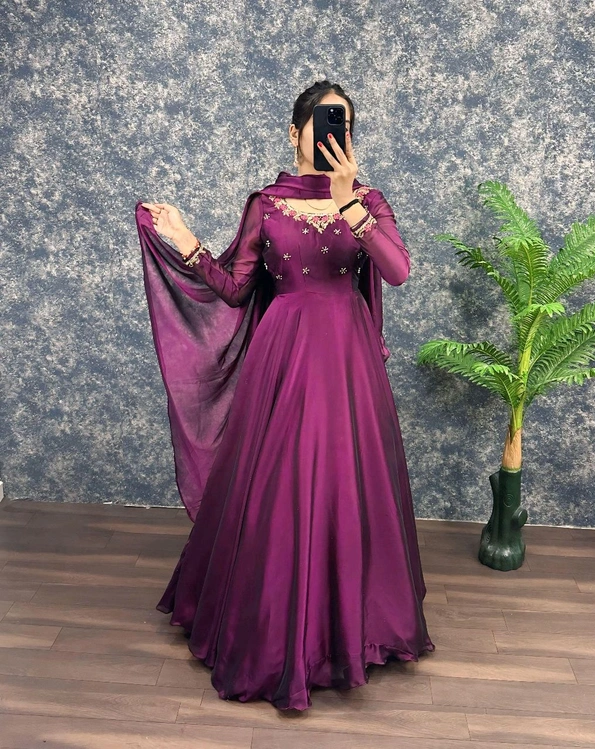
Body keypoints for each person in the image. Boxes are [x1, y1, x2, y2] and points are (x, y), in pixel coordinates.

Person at [135, 80, 435, 712]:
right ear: (295, 132)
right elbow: (236, 289)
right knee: (282, 486)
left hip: (348, 362)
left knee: (346, 484)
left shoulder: (368, 201)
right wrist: (187, 242)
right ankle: (275, 633)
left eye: (343, 125)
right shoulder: (266, 206)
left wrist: (349, 202)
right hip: (283, 360)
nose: (333, 136)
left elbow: (398, 271)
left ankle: (349, 631)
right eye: (324, 123)